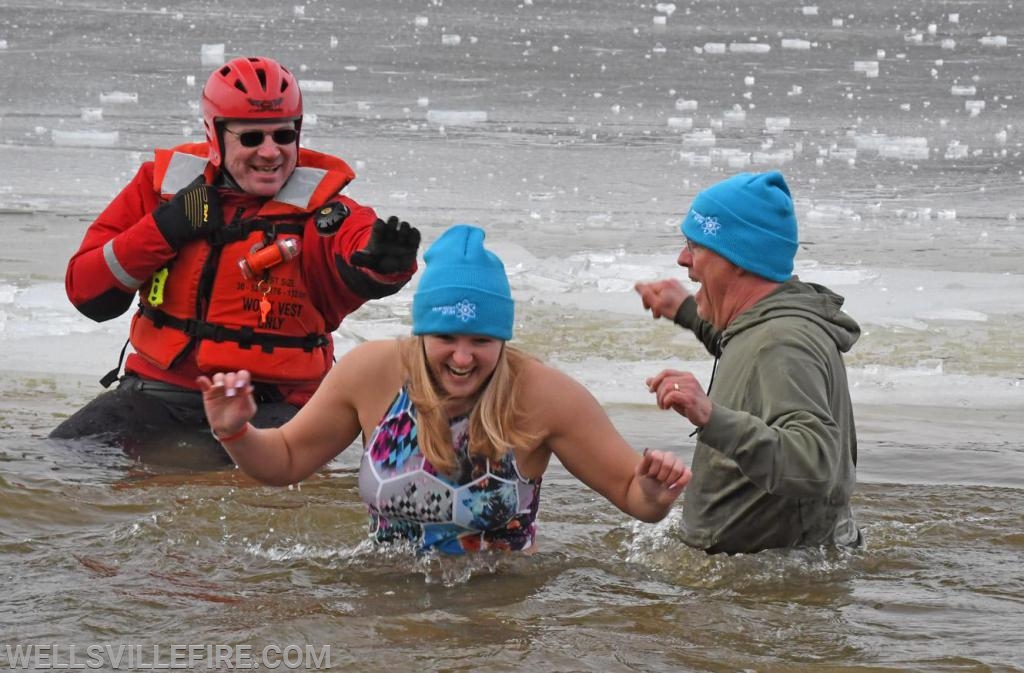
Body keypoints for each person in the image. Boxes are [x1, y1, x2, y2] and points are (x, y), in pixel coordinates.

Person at [199, 224, 692, 554]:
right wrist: (237, 431)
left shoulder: (543, 395)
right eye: (445, 339)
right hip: (388, 596)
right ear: (420, 333)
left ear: (503, 337)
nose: (462, 357)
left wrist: (653, 490)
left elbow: (634, 496)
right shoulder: (373, 372)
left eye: (481, 340)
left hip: (498, 608)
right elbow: (284, 460)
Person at [51, 56, 420, 465]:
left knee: (249, 489)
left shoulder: (324, 210)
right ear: (214, 135)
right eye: (250, 139)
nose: (270, 152)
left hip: (275, 406)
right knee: (56, 463)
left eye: (283, 135)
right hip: (157, 394)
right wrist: (163, 230)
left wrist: (384, 264)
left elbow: (353, 244)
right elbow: (86, 291)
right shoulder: (160, 190)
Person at [635, 171, 861, 555]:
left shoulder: (783, 342)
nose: (683, 259)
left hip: (774, 591)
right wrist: (688, 312)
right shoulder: (765, 325)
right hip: (755, 575)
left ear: (736, 260)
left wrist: (710, 416)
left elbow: (815, 463)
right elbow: (743, 352)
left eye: (696, 245)